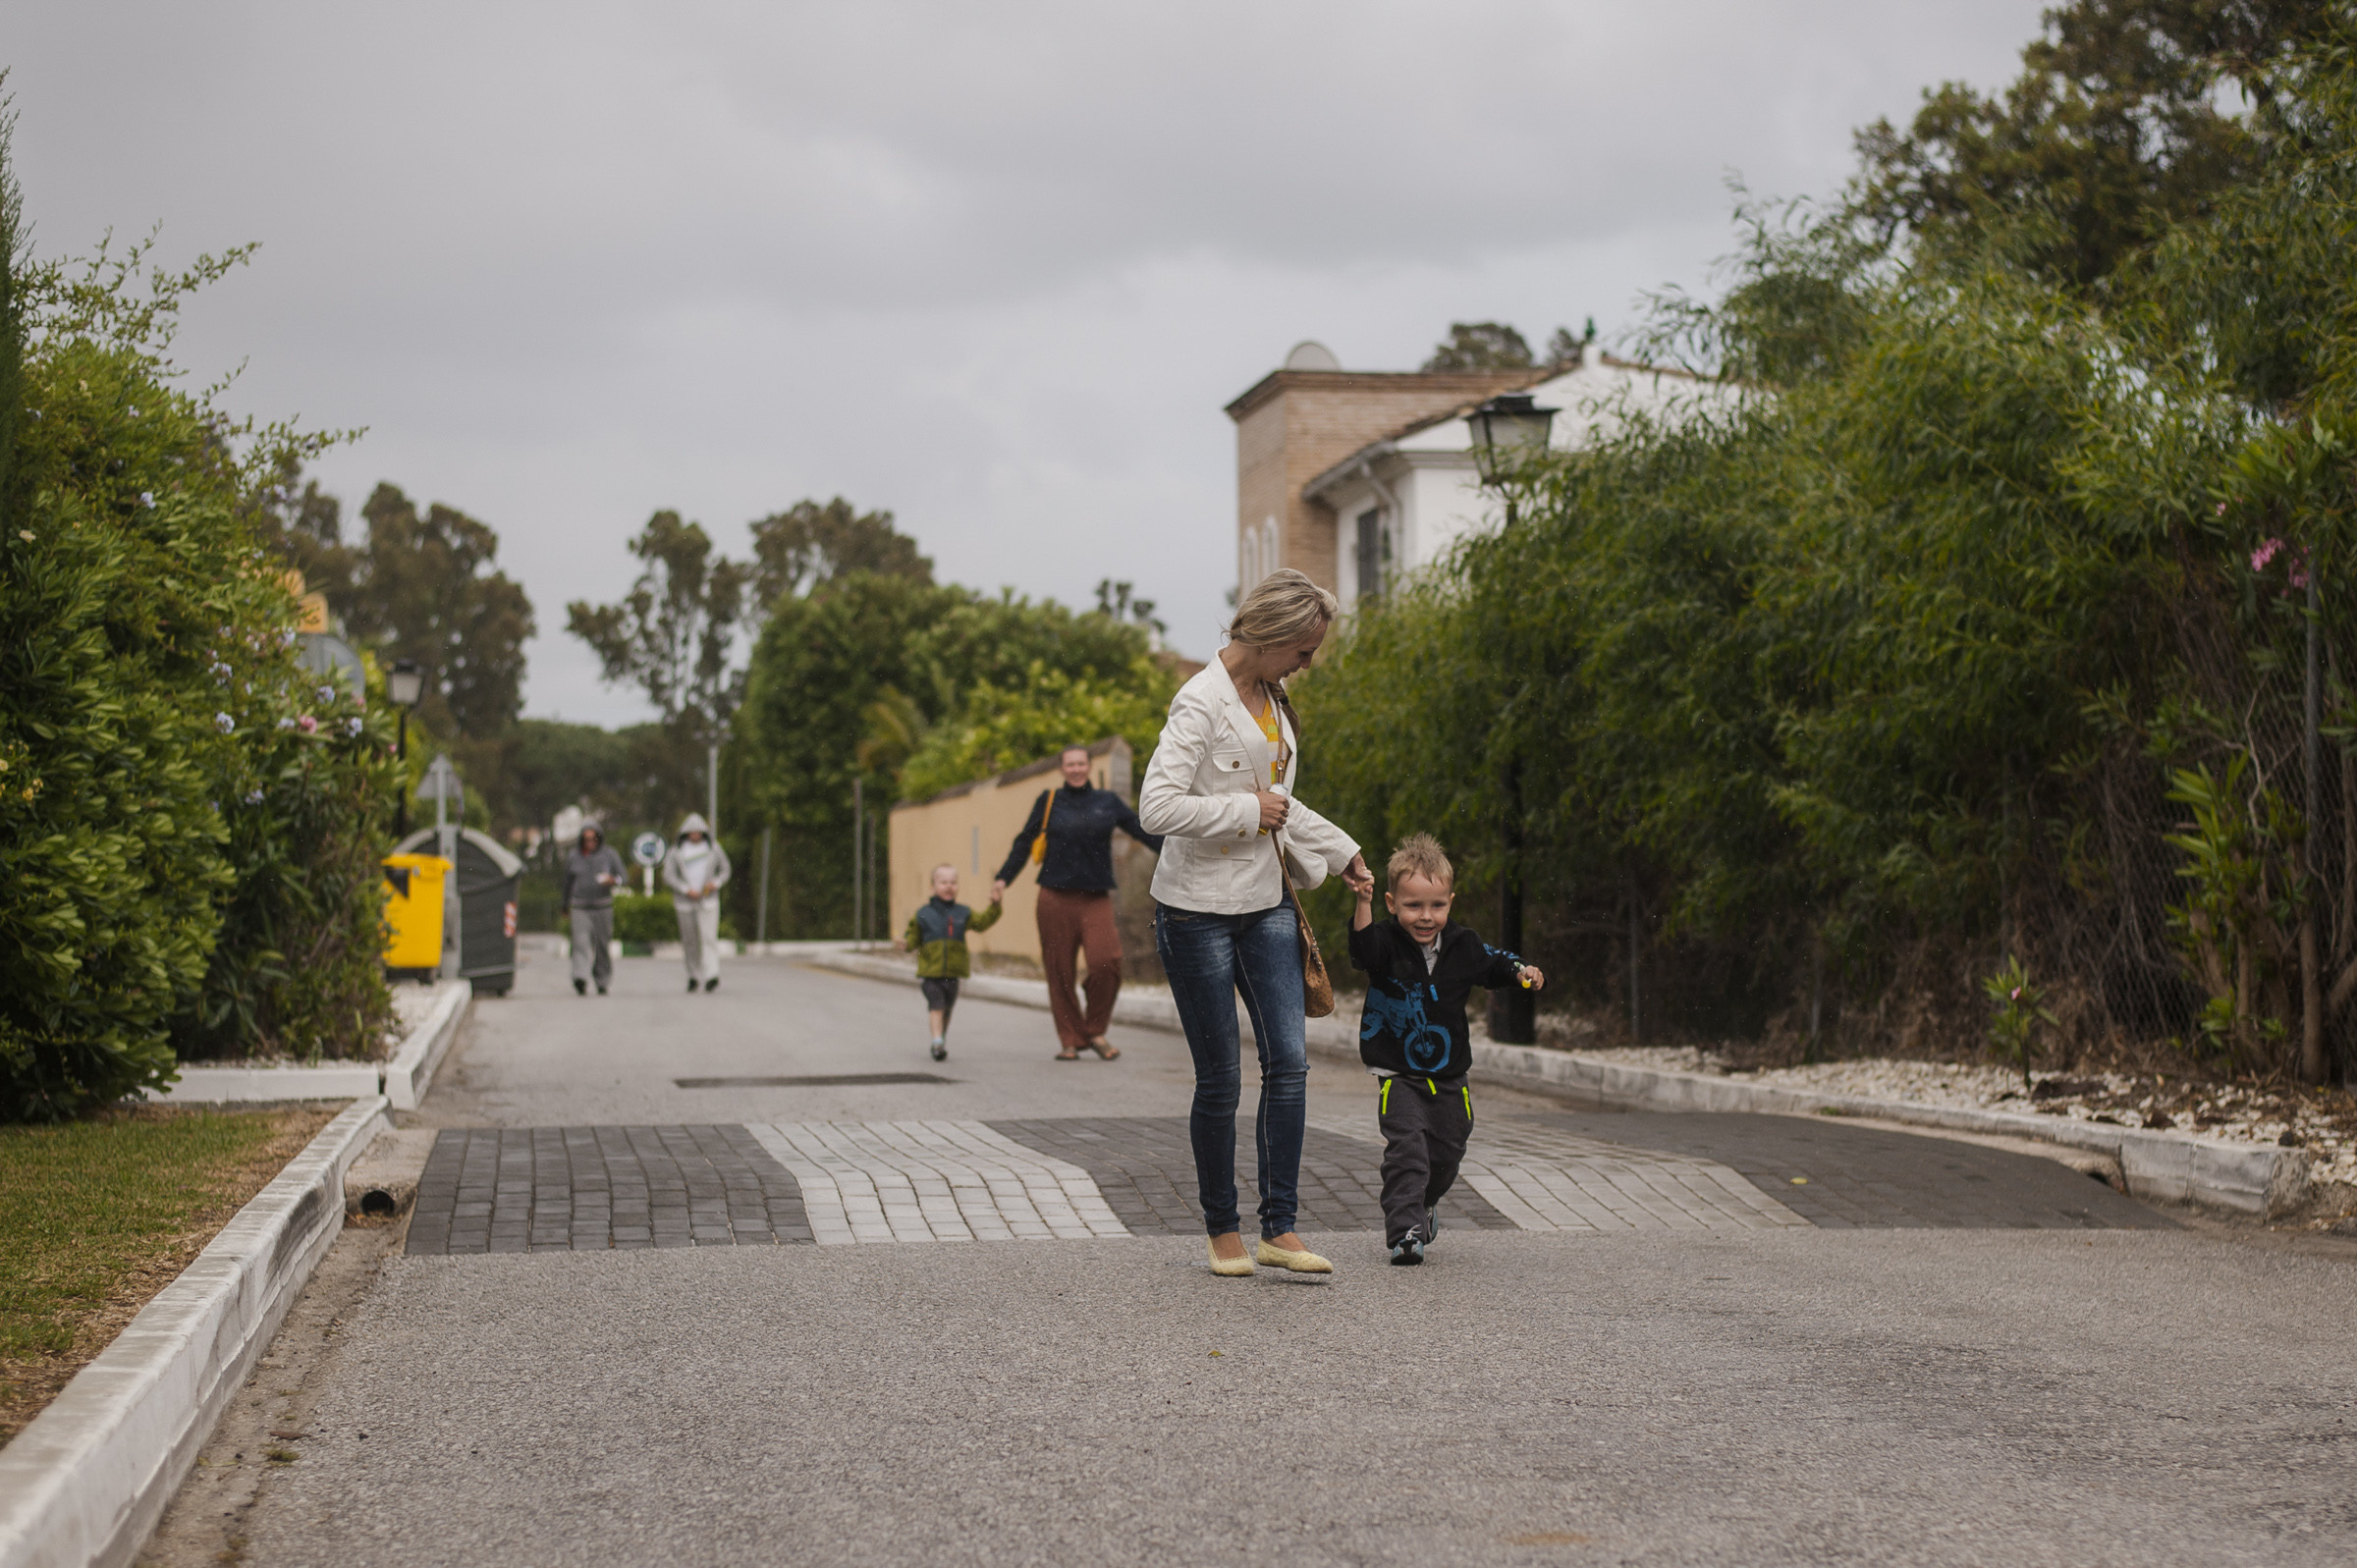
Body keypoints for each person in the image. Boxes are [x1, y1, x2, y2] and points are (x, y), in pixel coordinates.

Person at [1137, 568, 1367, 1278]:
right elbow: (1156, 807)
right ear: (1271, 635)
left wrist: (1343, 850)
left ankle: (1280, 1228)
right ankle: (1222, 1230)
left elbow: (1281, 802)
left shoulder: (1274, 698)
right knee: (1221, 1079)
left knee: (1289, 1064)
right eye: (1304, 649)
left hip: (1266, 904)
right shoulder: (1199, 701)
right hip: (1195, 913)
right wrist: (1244, 811)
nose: (1308, 662)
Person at [1347, 834, 1544, 1266]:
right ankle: (1405, 1233)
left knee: (1448, 1151)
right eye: (1413, 905)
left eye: (1437, 905)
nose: (1425, 916)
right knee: (1408, 1150)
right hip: (1398, 1073)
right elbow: (1362, 952)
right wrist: (1361, 902)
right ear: (1391, 903)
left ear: (1450, 903)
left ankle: (1425, 1203)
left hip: (1451, 1075)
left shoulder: (1462, 944)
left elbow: (1494, 961)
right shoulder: (1385, 941)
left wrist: (1520, 971)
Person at [992, 745, 1164, 1060]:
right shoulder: (1049, 801)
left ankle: (1094, 1030)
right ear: (1062, 769)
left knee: (1106, 961)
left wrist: (1177, 852)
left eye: (1080, 763)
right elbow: (1024, 841)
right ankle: (1070, 1039)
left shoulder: (1107, 802)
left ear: (1089, 765)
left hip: (1095, 898)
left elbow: (1141, 830)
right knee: (1059, 970)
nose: (1076, 769)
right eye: (1070, 764)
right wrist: (1003, 878)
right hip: (1054, 898)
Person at [897, 863, 1005, 1060]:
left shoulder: (963, 913)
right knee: (937, 1005)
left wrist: (995, 906)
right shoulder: (923, 914)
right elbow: (912, 937)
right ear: (932, 886)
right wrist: (906, 944)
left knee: (947, 1009)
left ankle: (940, 1038)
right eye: (943, 882)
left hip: (953, 973)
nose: (949, 886)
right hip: (930, 973)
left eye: (953, 882)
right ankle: (937, 1041)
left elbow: (982, 923)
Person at [661, 812, 733, 994]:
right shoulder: (677, 851)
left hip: (708, 901)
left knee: (709, 938)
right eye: (692, 832)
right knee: (690, 941)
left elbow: (725, 870)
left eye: (698, 832)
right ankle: (693, 975)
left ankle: (711, 975)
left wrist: (715, 883)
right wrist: (685, 889)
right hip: (685, 903)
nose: (695, 835)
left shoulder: (713, 848)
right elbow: (668, 875)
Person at [560, 820, 627, 997]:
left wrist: (613, 880)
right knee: (580, 943)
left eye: (593, 838)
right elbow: (567, 883)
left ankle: (602, 980)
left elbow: (623, 877)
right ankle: (580, 977)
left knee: (602, 945)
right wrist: (564, 905)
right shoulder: (574, 856)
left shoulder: (609, 855)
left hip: (602, 907)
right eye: (586, 839)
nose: (590, 842)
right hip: (580, 907)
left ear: (599, 838)